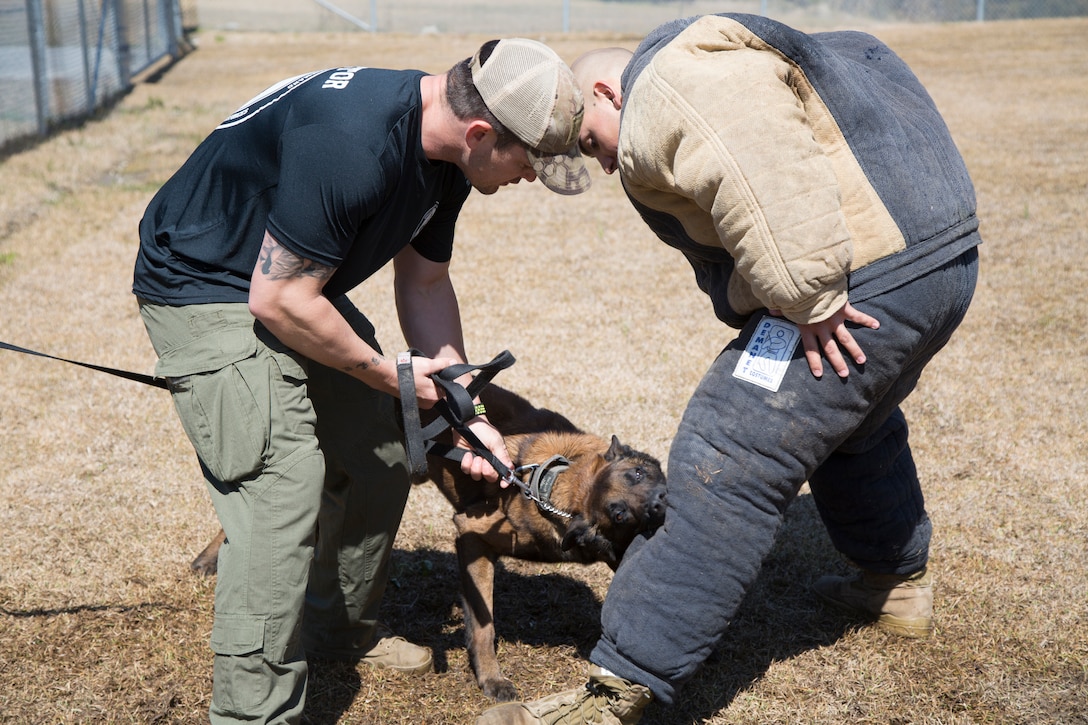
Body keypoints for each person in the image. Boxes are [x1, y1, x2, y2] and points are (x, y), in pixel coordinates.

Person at [478, 13, 980, 724]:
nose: (602, 164)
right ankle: (892, 584)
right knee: (848, 415)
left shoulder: (669, 81)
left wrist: (810, 292)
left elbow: (756, 147)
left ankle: (620, 684)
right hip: (938, 258)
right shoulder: (717, 52)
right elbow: (864, 61)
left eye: (592, 143)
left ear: (606, 93)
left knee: (728, 448)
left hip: (859, 276)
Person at [132, 38, 588, 724]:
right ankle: (252, 712)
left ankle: (336, 628)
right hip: (206, 282)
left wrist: (467, 410)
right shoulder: (356, 145)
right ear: (482, 131)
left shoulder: (447, 157)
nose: (529, 176)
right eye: (528, 159)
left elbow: (424, 278)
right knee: (281, 486)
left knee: (379, 448)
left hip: (285, 278)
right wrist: (388, 372)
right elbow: (278, 300)